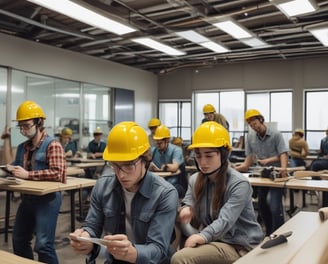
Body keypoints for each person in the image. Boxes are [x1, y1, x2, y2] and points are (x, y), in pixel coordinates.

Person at [69, 121, 179, 264]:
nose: (121, 174)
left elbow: (158, 249)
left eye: (128, 165)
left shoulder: (165, 194)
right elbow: (92, 225)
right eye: (114, 165)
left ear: (145, 159)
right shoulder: (102, 186)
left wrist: (132, 253)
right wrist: (86, 237)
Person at [171, 122, 263, 264]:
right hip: (216, 239)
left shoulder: (239, 183)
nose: (202, 162)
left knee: (180, 258)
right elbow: (188, 202)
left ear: (223, 154)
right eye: (198, 155)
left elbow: (225, 220)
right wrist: (185, 209)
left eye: (209, 155)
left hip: (238, 245)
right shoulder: (195, 179)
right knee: (173, 224)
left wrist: (202, 237)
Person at [2, 100, 66, 264]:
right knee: (19, 240)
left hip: (48, 200)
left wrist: (28, 175)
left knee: (44, 245)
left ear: (39, 122)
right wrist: (6, 169)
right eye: (21, 126)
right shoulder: (23, 147)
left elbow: (58, 173)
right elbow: (16, 167)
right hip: (28, 199)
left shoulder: (53, 145)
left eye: (27, 125)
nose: (23, 129)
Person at [233, 109, 288, 236]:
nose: (253, 126)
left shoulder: (276, 134)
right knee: (262, 207)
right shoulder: (250, 137)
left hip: (277, 174)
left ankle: (279, 234)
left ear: (261, 120)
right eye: (250, 124)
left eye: (254, 122)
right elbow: (248, 163)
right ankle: (270, 234)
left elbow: (283, 154)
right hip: (262, 175)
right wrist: (233, 169)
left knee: (273, 205)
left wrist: (283, 171)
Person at [149, 125, 188, 198]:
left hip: (176, 184)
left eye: (160, 143)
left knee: (168, 192)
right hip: (159, 183)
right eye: (156, 143)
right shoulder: (153, 151)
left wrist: (165, 167)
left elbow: (174, 167)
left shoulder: (176, 150)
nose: (158, 145)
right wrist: (149, 166)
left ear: (167, 140)